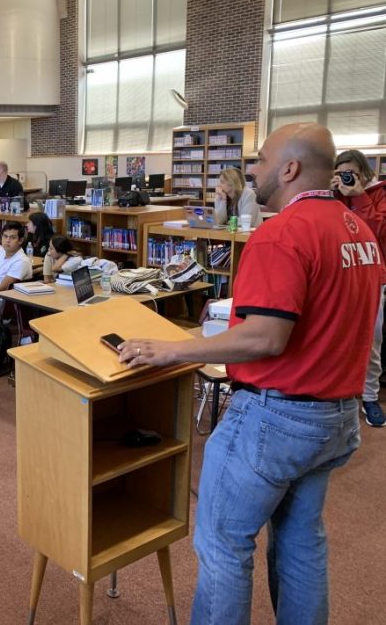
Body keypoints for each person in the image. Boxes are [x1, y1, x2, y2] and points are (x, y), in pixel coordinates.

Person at [117, 123, 382, 625]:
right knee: (303, 542)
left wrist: (174, 351)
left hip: (276, 417)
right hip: (335, 417)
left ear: (290, 168)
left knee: (221, 544)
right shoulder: (358, 231)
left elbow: (265, 337)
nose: (253, 169)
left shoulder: (281, 233)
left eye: (260, 160)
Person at [331, 148, 386, 427]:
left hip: (374, 277)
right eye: (340, 173)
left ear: (364, 172)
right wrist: (332, 193)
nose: (345, 178)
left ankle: (369, 395)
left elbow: (377, 234)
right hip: (340, 273)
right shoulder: (336, 194)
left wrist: (359, 196)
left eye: (350, 173)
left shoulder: (379, 194)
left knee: (371, 338)